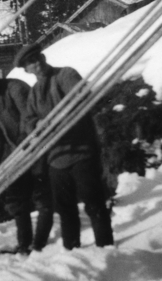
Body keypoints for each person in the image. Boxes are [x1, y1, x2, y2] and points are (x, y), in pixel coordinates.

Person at [14, 43, 115, 250]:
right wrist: (37, 124)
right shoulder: (34, 93)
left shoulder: (66, 75)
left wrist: (54, 121)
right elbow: (27, 121)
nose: (36, 64)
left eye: (36, 58)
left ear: (43, 57)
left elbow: (81, 97)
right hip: (56, 158)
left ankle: (105, 250)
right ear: (27, 70)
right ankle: (72, 250)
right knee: (65, 209)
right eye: (30, 63)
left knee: (94, 204)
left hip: (82, 151)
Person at [0, 62, 53, 254]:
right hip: (18, 155)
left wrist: (27, 144)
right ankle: (24, 244)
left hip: (37, 149)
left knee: (43, 198)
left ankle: (39, 244)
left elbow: (29, 117)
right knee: (16, 200)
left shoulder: (15, 88)